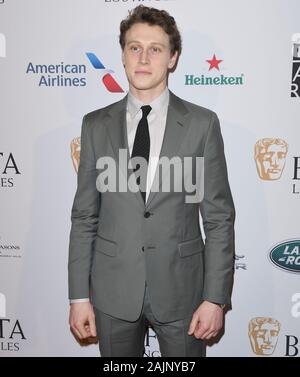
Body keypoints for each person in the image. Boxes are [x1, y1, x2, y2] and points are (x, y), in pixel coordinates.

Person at [68, 5, 235, 357]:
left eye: (155, 49)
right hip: (113, 291)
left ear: (172, 58)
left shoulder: (202, 125)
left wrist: (215, 298)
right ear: (124, 55)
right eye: (134, 47)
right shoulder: (95, 125)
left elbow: (218, 218)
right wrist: (79, 297)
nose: (143, 57)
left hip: (183, 290)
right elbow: (84, 216)